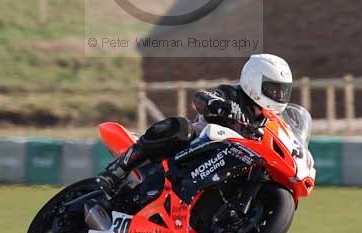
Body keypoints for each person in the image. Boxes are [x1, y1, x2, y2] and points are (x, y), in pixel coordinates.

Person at [97, 53, 293, 195]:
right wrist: (218, 105)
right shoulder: (232, 94)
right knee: (181, 127)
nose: (279, 96)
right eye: (274, 90)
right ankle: (118, 170)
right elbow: (201, 98)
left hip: (225, 168)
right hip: (196, 147)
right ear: (254, 81)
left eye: (283, 91)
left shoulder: (270, 122)